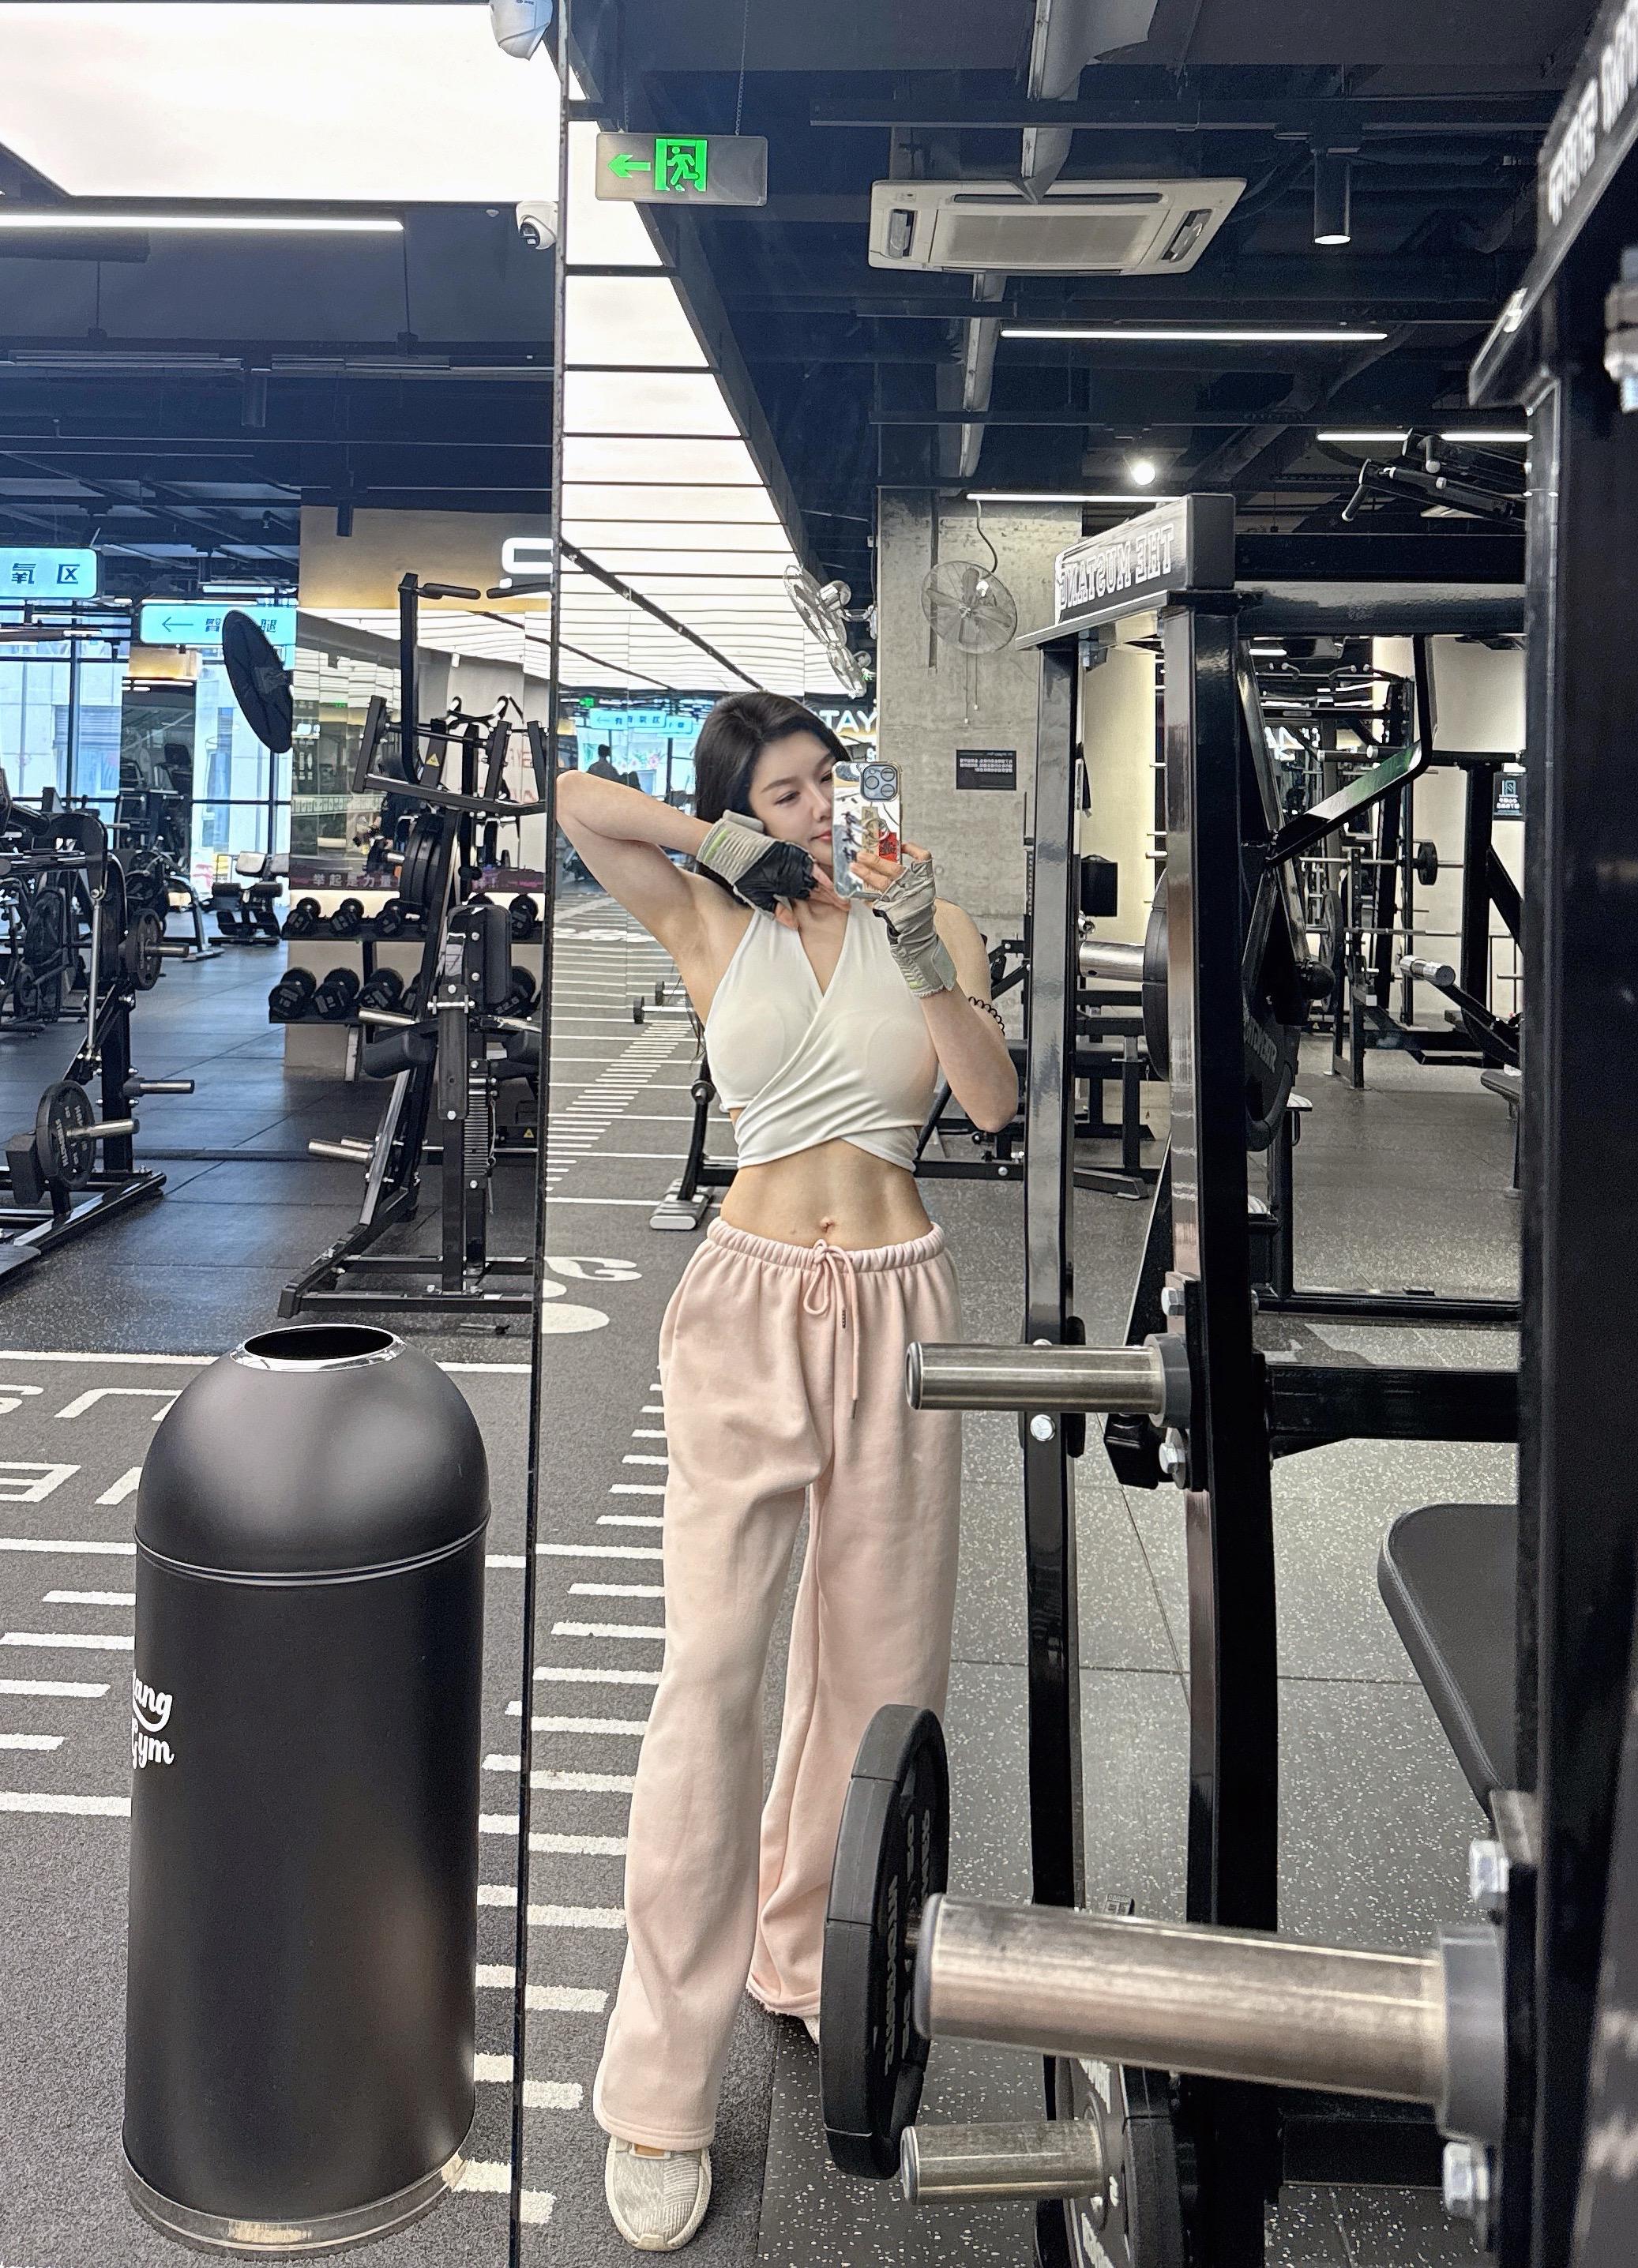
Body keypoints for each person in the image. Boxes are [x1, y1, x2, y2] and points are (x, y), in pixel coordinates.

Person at [554, 689, 1018, 2252]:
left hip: (898, 1300)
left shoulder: (927, 916)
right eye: (788, 791)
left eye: (829, 778)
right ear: (748, 811)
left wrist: (920, 940)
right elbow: (575, 800)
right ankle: (658, 2088)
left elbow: (990, 1101)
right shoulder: (710, 918)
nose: (821, 807)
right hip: (746, 1301)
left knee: (877, 1674)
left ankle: (811, 1959)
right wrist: (718, 845)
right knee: (709, 1678)